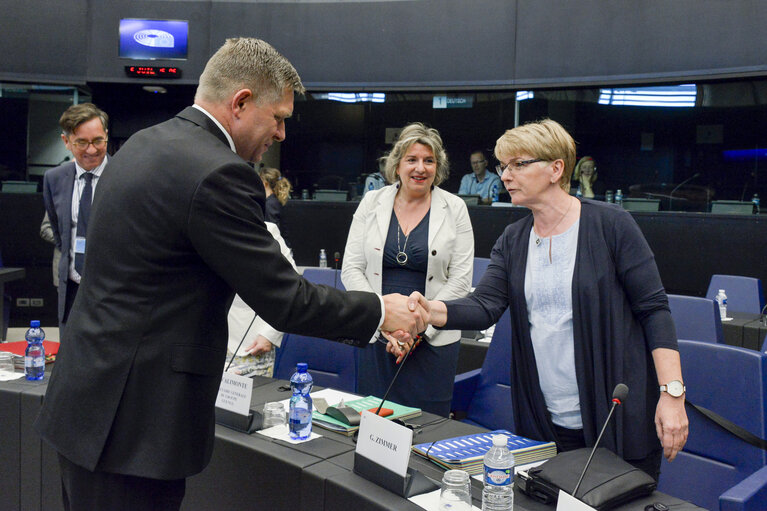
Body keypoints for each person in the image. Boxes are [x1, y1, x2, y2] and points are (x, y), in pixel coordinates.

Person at [34, 38, 425, 510]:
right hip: (135, 427)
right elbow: (286, 299)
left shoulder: (142, 144)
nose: (282, 134)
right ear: (240, 102)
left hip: (86, 408)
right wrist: (382, 311)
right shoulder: (220, 172)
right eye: (278, 117)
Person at [410, 119, 688, 480]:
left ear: (557, 168)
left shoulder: (612, 225)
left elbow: (654, 310)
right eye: (503, 166)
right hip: (544, 420)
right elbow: (485, 306)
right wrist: (431, 310)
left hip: (615, 417)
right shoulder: (513, 239)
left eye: (518, 164)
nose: (506, 175)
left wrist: (673, 395)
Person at [342, 122, 474, 416]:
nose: (420, 168)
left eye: (429, 161)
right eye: (412, 159)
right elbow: (351, 268)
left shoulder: (455, 208)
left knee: (426, 431)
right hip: (377, 336)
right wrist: (384, 319)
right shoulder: (371, 202)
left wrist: (416, 328)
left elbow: (461, 280)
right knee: (371, 427)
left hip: (433, 340)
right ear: (397, 164)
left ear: (437, 167)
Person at [42, 103, 109, 325]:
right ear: (66, 142)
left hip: (111, 291)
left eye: (98, 140)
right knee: (70, 354)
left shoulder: (125, 175)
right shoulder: (54, 179)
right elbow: (56, 229)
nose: (91, 150)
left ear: (106, 136)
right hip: (70, 286)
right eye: (81, 142)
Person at [225, 221, 293, 377]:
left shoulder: (267, 231)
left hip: (254, 343)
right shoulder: (206, 228)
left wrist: (270, 334)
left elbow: (290, 289)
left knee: (253, 399)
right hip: (209, 341)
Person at [258, 167, 292, 241]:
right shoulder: (275, 200)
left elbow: (272, 231)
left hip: (277, 246)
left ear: (264, 183)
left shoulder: (270, 204)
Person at [39, 212, 61, 288]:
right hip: (63, 269)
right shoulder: (59, 200)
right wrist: (64, 241)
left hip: (92, 269)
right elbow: (45, 229)